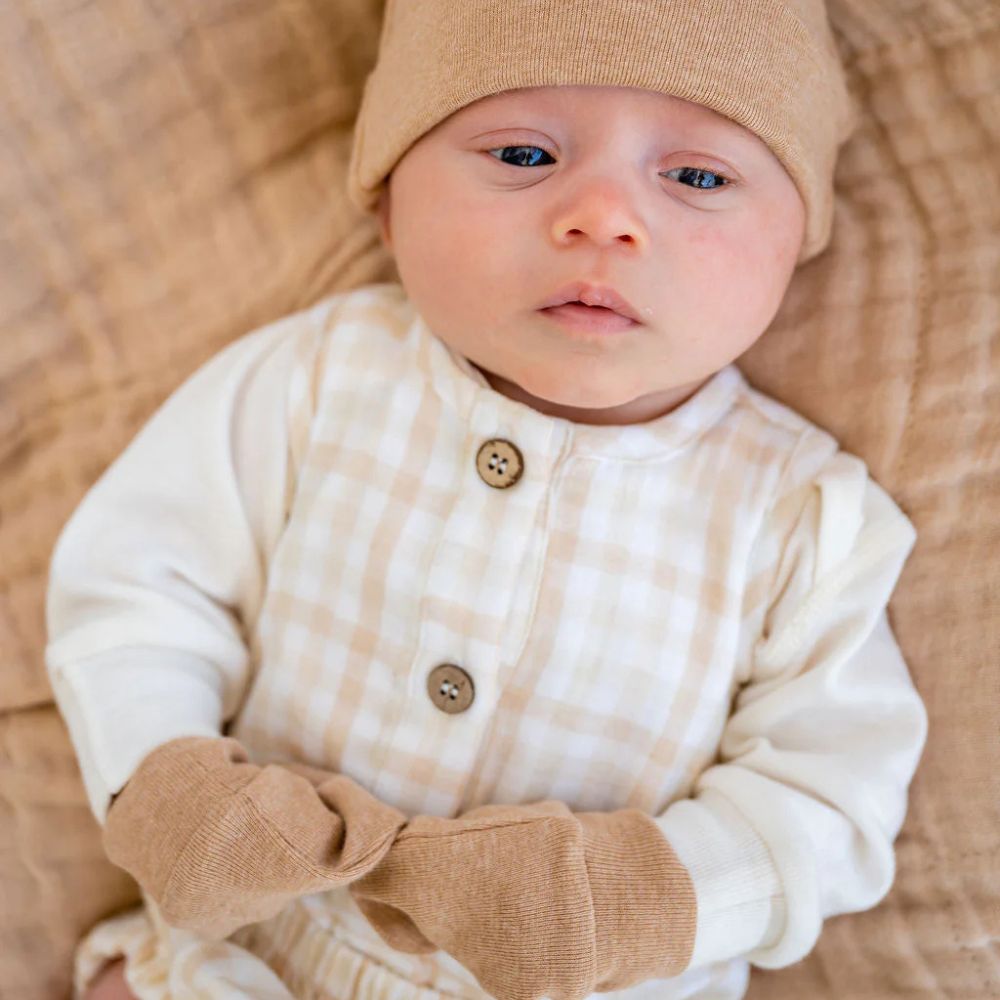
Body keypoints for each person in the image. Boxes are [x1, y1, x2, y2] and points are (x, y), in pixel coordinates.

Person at [46, 2, 929, 999]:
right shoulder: (322, 377)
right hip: (244, 952)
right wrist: (162, 778)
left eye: (696, 177)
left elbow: (831, 795)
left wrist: (633, 901)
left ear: (796, 240)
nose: (603, 216)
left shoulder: (800, 517)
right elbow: (140, 583)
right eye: (522, 155)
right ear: (389, 202)